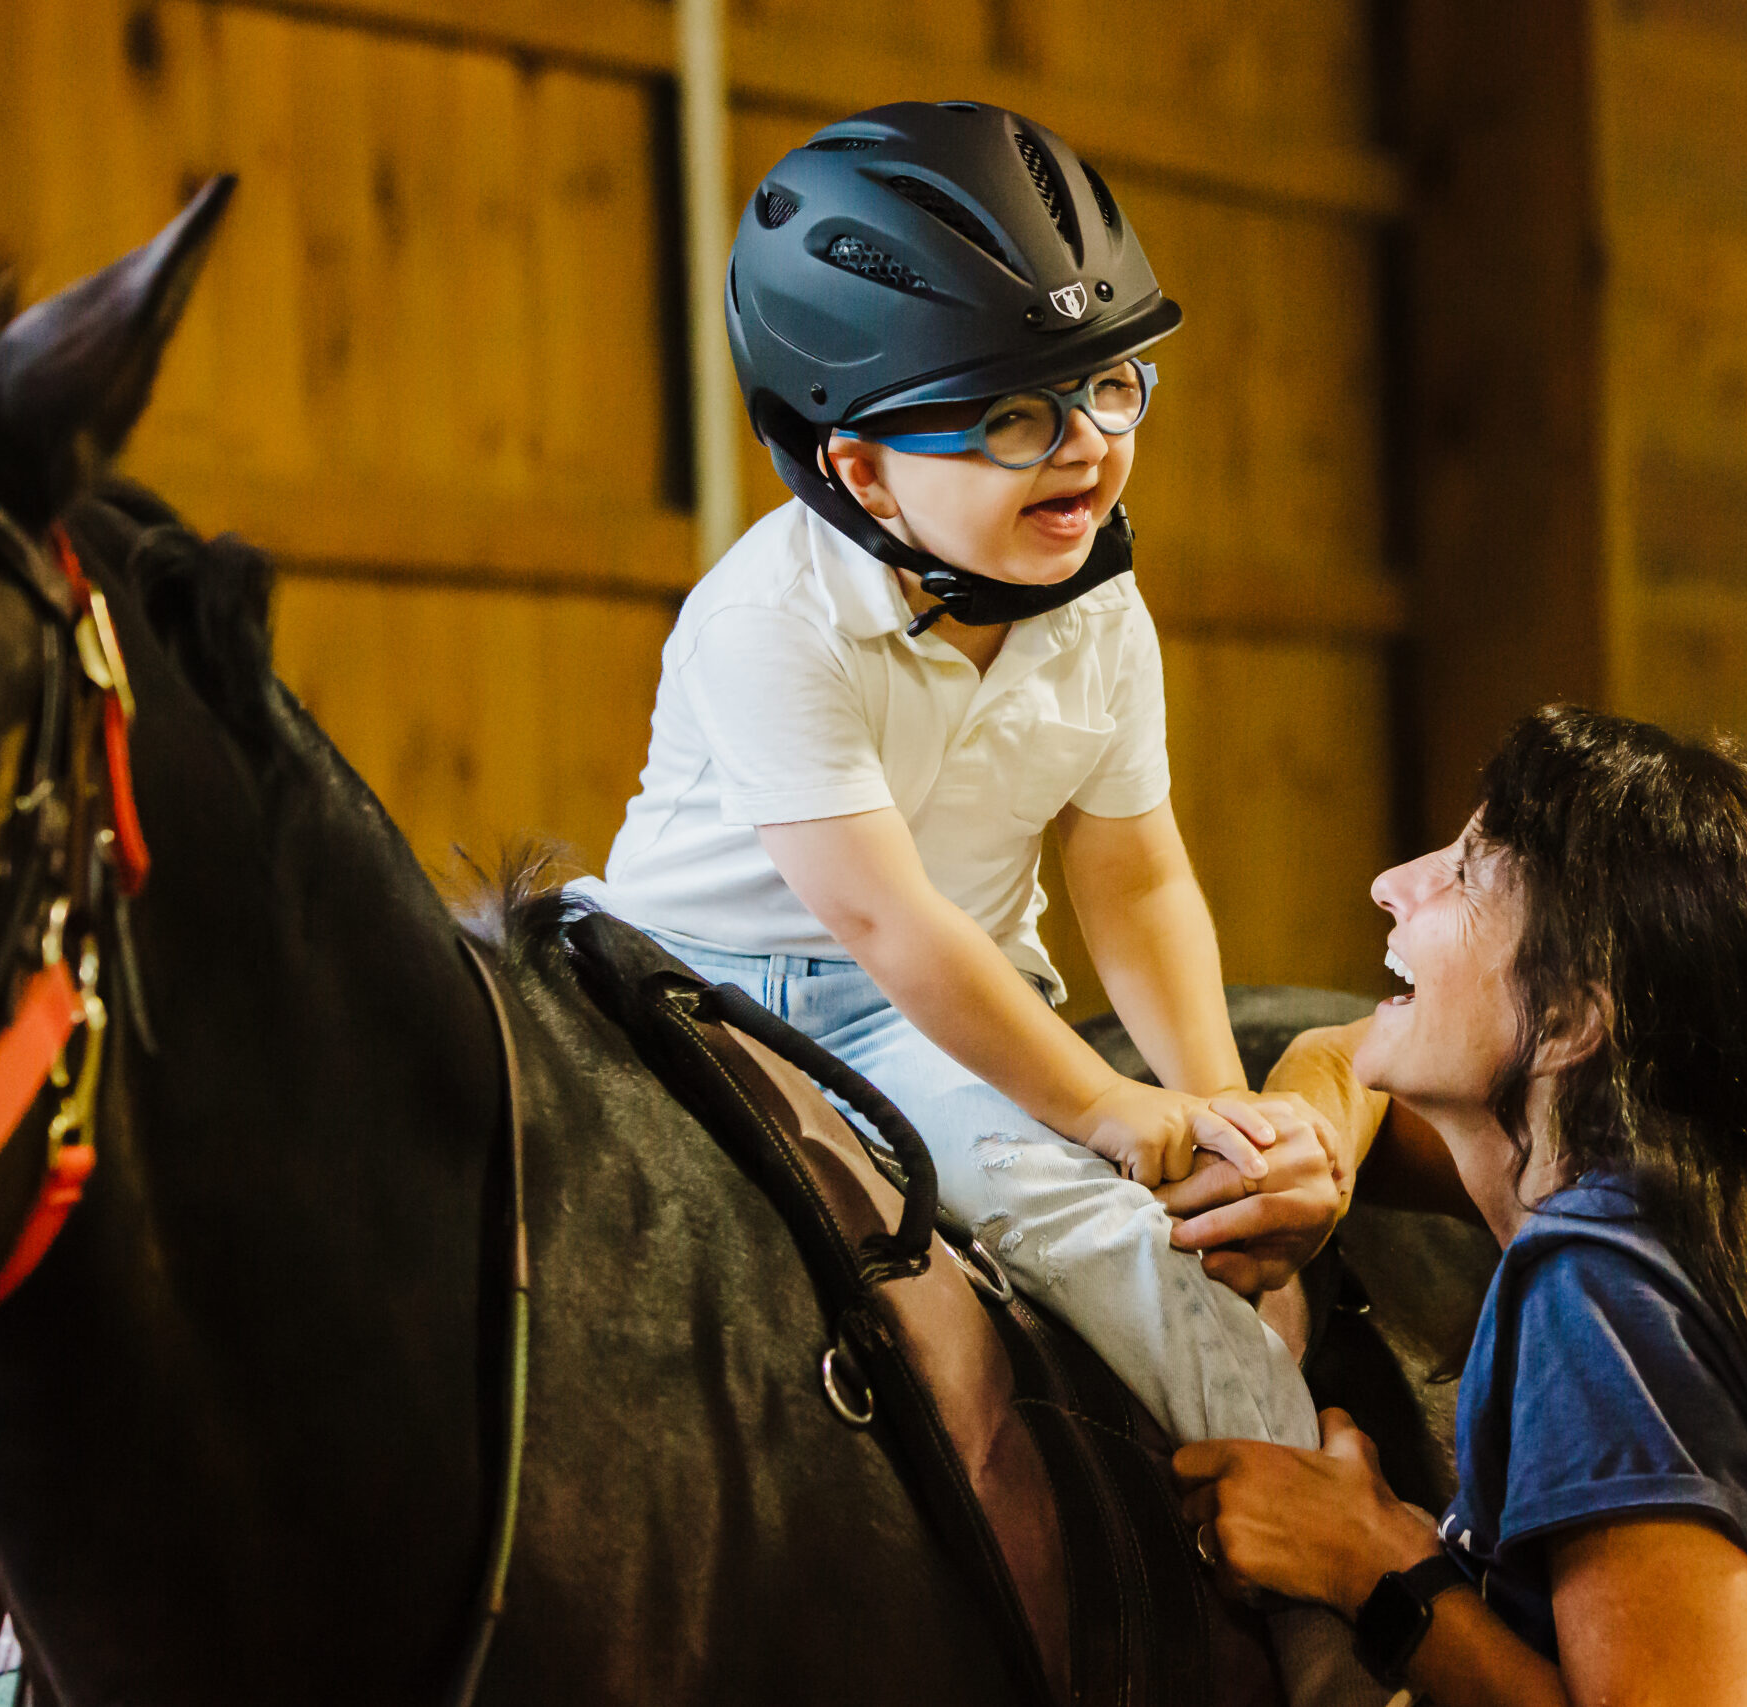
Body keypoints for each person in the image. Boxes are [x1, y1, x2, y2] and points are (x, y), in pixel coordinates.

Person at [571, 102, 1352, 1450]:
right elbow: (891, 925)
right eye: (1008, 415)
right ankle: (1336, 1638)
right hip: (750, 997)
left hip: (972, 991)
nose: (1088, 442)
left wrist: (1221, 1107)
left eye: (1114, 386)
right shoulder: (773, 619)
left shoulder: (1098, 609)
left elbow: (1135, 867)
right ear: (860, 468)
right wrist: (1111, 1111)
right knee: (1129, 1259)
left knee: (1229, 1260)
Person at [1179, 706, 1747, 1705]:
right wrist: (1306, 1139)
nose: (1393, 887)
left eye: (1465, 877)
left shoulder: (1600, 1286)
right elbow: (1345, 1063)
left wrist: (1369, 1564)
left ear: (1568, 1019)